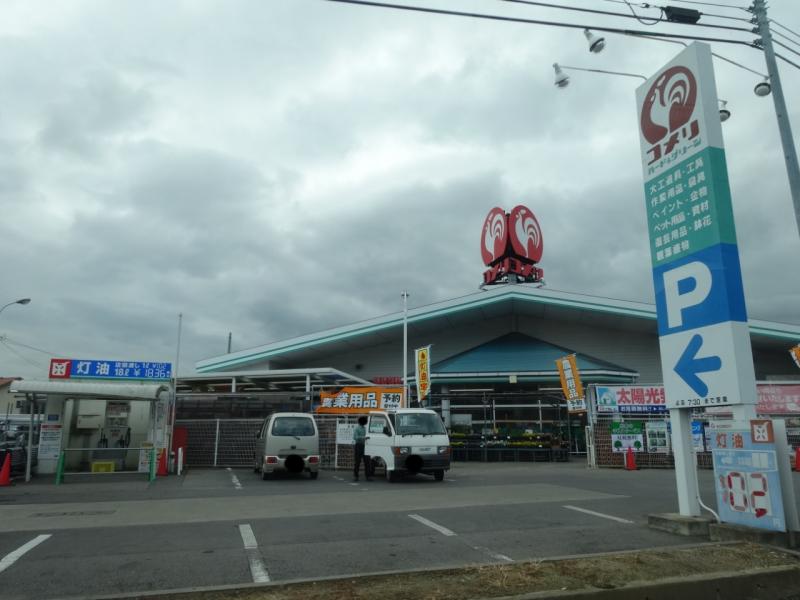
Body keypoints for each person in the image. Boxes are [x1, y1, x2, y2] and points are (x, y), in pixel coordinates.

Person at [353, 416, 372, 481]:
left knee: (367, 462)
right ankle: (356, 476)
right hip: (358, 446)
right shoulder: (357, 428)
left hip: (366, 446)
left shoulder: (366, 428)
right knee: (357, 462)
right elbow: (355, 437)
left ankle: (368, 476)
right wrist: (364, 437)